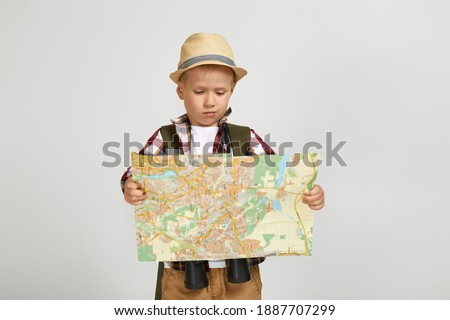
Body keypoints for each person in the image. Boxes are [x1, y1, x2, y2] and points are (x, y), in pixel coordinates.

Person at [121, 33, 325, 300]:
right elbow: (135, 175)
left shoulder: (244, 137)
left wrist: (309, 193)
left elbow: (281, 179)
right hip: (183, 273)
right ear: (181, 90)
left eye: (220, 92)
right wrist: (130, 188)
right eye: (199, 92)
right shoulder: (165, 137)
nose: (210, 101)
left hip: (239, 270)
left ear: (232, 90)